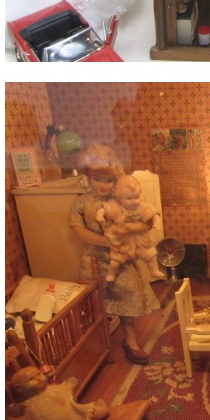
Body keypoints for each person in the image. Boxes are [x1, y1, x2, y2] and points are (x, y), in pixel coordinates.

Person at [68, 144, 160, 365]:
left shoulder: (121, 197)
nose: (103, 185)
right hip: (94, 259)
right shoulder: (81, 201)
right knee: (95, 301)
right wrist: (105, 241)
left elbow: (146, 220)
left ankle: (130, 339)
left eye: (109, 180)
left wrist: (129, 230)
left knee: (127, 295)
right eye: (97, 179)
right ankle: (99, 342)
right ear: (87, 176)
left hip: (122, 258)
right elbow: (77, 228)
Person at [98, 174, 165, 284]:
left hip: (139, 240)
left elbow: (152, 212)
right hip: (124, 241)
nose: (134, 201)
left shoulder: (141, 206)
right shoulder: (116, 206)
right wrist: (100, 214)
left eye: (136, 197)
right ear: (119, 198)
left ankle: (154, 271)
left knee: (150, 255)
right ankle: (111, 275)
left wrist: (157, 220)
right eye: (129, 198)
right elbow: (105, 209)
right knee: (115, 260)